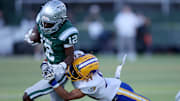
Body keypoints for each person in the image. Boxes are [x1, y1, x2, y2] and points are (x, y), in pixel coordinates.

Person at [23, 0, 79, 101]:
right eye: (43, 23)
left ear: (60, 20)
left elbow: (70, 56)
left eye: (48, 24)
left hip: (59, 71)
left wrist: (60, 67)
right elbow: (37, 33)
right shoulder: (42, 18)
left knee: (27, 96)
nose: (44, 26)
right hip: (48, 65)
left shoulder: (67, 31)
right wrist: (32, 37)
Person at [42, 53, 150, 101]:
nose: (72, 73)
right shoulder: (85, 73)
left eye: (76, 72)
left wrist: (52, 80)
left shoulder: (91, 83)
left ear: (88, 74)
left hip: (120, 93)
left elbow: (68, 96)